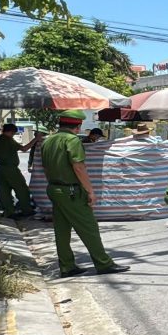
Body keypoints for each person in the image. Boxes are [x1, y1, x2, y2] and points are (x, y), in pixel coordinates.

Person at [41, 109, 129, 277]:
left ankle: (67, 266)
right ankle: (103, 263)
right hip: (71, 191)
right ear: (78, 125)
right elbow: (79, 167)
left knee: (61, 230)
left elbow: (45, 168)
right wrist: (90, 191)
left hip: (54, 189)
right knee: (89, 227)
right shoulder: (72, 140)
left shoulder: (48, 140)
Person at [0, 124, 38, 218]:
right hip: (11, 169)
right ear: (11, 132)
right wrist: (36, 139)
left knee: (4, 191)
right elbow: (24, 149)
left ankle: (9, 211)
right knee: (22, 189)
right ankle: (26, 209)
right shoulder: (9, 141)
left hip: (0, 168)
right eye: (13, 133)